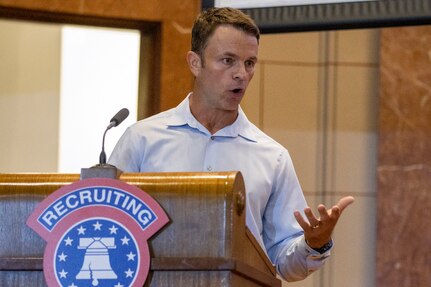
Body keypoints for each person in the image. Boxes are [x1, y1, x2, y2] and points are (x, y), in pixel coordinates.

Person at [108, 7, 354, 282]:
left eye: (250, 63)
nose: (241, 74)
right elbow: (109, 226)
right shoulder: (142, 139)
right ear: (195, 63)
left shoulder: (272, 156)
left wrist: (314, 244)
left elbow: (285, 264)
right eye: (228, 60)